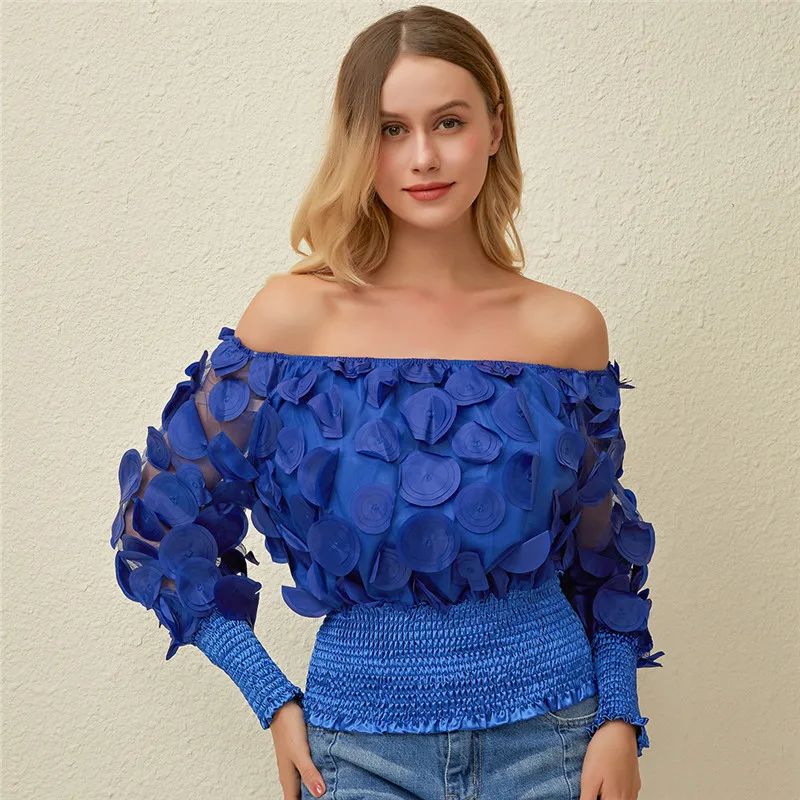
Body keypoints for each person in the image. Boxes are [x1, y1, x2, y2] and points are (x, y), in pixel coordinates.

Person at [110, 5, 664, 799]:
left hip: (555, 748)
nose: (424, 156)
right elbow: (155, 526)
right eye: (391, 129)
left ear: (495, 127)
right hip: (356, 756)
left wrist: (617, 715)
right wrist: (270, 695)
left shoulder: (566, 330)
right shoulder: (292, 321)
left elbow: (600, 553)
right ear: (356, 144)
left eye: (449, 122)